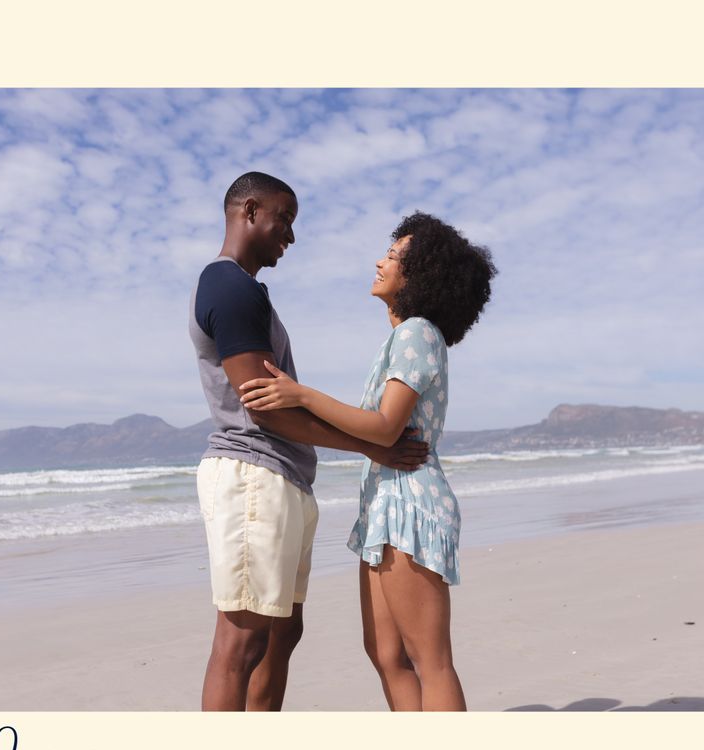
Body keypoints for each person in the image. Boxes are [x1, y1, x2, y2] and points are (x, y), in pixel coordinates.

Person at [190, 173, 430, 712]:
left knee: (281, 634)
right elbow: (264, 408)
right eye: (285, 219)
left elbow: (281, 403)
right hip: (254, 473)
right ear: (249, 210)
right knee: (242, 639)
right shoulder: (227, 286)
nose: (290, 237)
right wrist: (372, 446)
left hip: (284, 477)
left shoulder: (250, 292)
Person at [239, 211, 496, 711]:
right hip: (384, 503)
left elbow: (384, 426)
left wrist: (301, 396)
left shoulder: (418, 333)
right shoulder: (402, 338)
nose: (380, 262)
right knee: (385, 653)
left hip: (409, 503)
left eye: (394, 257)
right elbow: (376, 427)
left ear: (420, 275)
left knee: (430, 659)